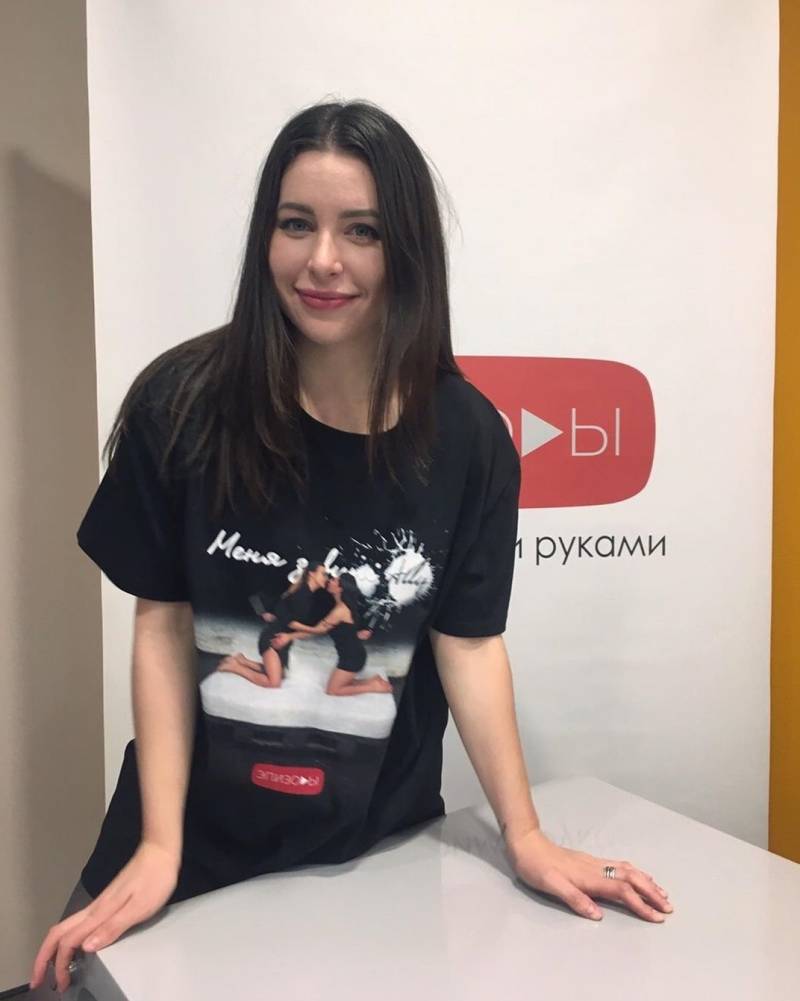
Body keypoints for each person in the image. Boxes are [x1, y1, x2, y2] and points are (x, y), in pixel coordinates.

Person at [30, 98, 672, 998]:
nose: (323, 260)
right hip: (181, 849)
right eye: (297, 224)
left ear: (404, 247)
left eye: (360, 230)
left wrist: (524, 834)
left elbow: (469, 644)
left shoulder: (469, 439)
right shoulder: (181, 405)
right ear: (266, 236)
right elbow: (164, 626)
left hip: (373, 862)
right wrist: (160, 844)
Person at [216, 561, 330, 687]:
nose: (326, 578)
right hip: (273, 638)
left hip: (283, 640)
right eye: (323, 574)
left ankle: (242, 660)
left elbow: (285, 615)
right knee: (274, 682)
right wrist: (314, 630)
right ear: (312, 574)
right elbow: (289, 622)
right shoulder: (302, 594)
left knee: (281, 675)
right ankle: (234, 667)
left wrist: (310, 630)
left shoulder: (306, 594)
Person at [278, 571, 393, 695]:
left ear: (340, 588)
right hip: (352, 654)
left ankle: (374, 686)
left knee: (332, 690)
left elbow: (317, 630)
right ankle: (373, 681)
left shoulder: (340, 610)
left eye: (334, 580)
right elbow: (336, 631)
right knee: (340, 684)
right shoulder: (343, 607)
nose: (330, 580)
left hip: (352, 657)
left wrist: (290, 632)